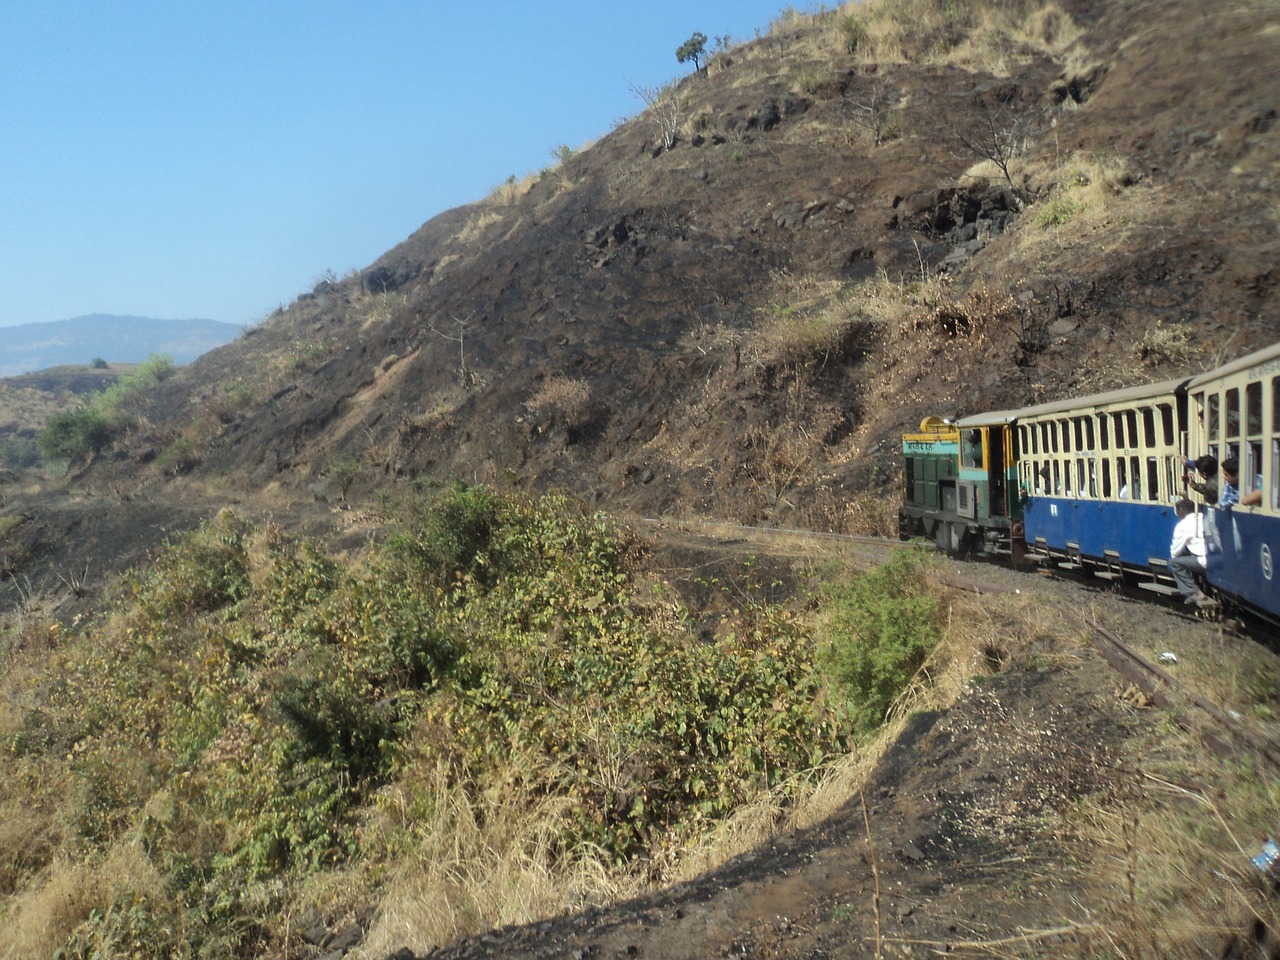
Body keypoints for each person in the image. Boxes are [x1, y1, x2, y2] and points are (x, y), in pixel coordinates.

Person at [1169, 498, 1210, 605]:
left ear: (1180, 512)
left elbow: (1175, 551)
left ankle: (1194, 592)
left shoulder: (1183, 525)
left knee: (1174, 562)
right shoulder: (1205, 517)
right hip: (1218, 557)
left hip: (1205, 561)